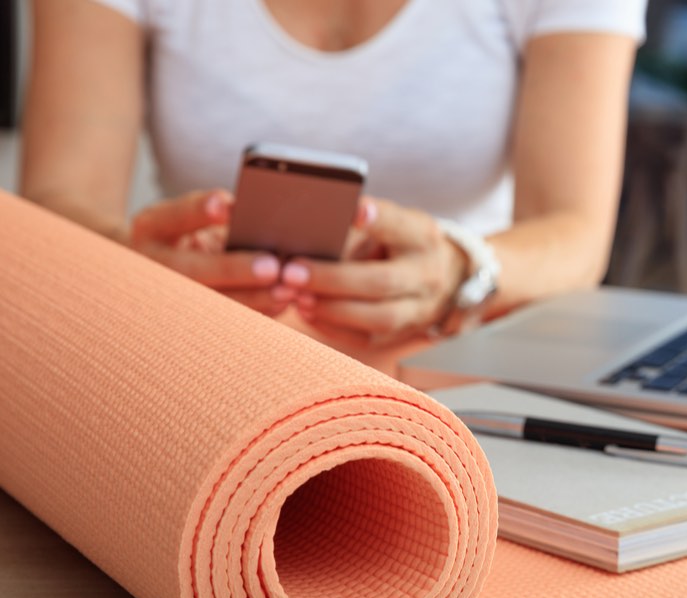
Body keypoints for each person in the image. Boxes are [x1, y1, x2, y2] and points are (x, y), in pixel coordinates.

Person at [20, 0, 646, 345]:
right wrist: (134, 260)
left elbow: (576, 233)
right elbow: (54, 200)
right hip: (201, 350)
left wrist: (461, 267)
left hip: (458, 361)